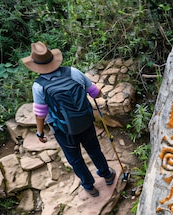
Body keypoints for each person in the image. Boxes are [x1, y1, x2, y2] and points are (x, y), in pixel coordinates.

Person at [21, 41, 115, 197]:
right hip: (86, 122)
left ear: (36, 65)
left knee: (75, 159)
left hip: (63, 129)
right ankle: (107, 175)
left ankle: (89, 186)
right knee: (94, 150)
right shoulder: (73, 72)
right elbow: (95, 92)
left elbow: (40, 113)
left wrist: (40, 133)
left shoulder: (39, 86)